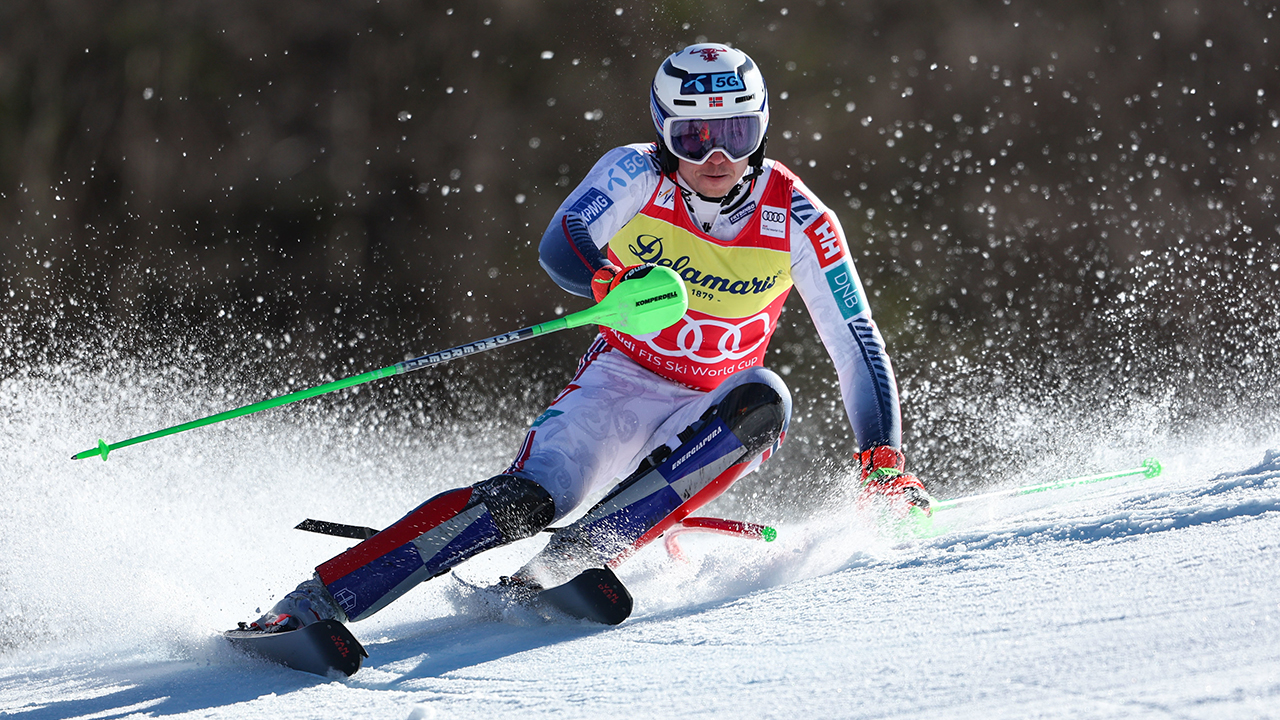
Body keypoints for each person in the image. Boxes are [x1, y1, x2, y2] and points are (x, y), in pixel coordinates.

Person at [247, 42, 931, 632]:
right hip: (618, 385)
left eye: (739, 134)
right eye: (694, 138)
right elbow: (563, 243)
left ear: (763, 130)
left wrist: (883, 460)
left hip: (708, 412)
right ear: (665, 132)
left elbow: (855, 339)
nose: (717, 156)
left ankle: (566, 563)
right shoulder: (634, 173)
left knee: (764, 400)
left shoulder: (803, 220)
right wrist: (607, 281)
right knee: (527, 499)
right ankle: (312, 605)